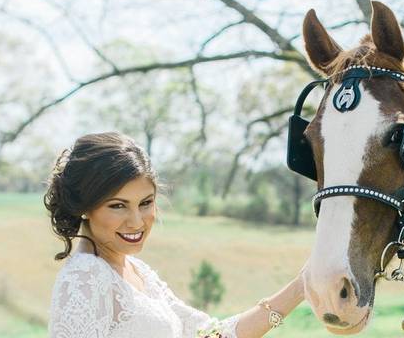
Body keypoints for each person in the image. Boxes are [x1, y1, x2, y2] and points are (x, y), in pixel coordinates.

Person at [44, 132, 307, 338]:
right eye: (118, 205)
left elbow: (210, 336)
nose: (137, 221)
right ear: (85, 208)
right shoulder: (85, 277)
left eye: (145, 203)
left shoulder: (138, 272)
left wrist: (300, 288)